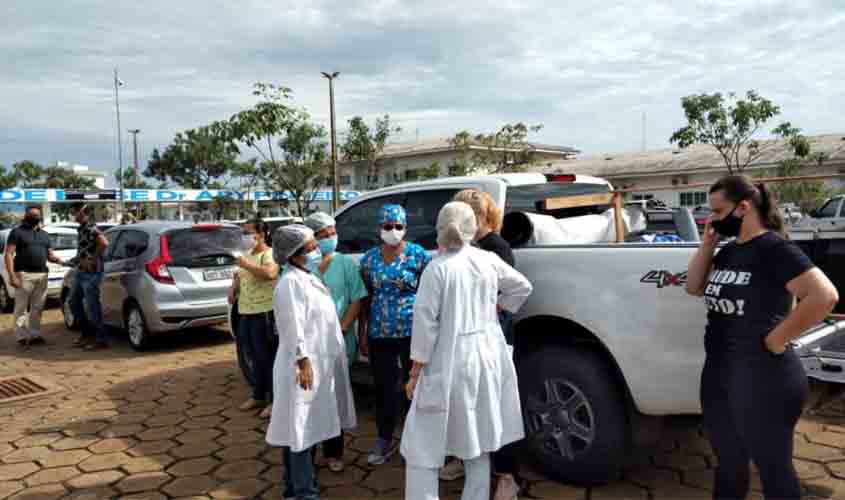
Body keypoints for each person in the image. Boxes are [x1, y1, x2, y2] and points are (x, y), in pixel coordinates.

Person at [685, 175, 838, 500]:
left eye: (718, 210)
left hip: (765, 379)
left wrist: (775, 340)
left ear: (743, 208)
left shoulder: (775, 249)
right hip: (720, 375)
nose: (712, 218)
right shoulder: (727, 253)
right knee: (728, 464)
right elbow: (694, 286)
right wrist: (708, 244)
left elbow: (824, 296)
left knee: (774, 470)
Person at [401, 202, 533, 500]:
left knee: (424, 440)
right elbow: (522, 287)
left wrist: (414, 372)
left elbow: (425, 326)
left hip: (449, 360)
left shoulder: (437, 269)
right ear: (473, 228)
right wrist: (496, 309)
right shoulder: (487, 260)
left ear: (439, 229)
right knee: (478, 434)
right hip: (487, 357)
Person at [266, 224, 356, 500]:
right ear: (294, 254)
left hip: (318, 362)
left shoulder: (306, 276)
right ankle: (305, 492)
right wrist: (303, 361)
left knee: (301, 428)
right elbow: (292, 327)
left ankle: (293, 488)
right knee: (300, 431)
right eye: (311, 247)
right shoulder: (290, 283)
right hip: (303, 366)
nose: (317, 250)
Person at [449, 189, 521, 500]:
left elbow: (517, 288)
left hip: (492, 340)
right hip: (469, 342)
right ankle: (468, 460)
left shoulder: (496, 249)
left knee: (497, 409)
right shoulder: (471, 247)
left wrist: (497, 308)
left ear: (480, 217)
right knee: (470, 407)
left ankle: (507, 476)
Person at [359, 204, 432, 465]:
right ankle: (384, 438)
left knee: (415, 387)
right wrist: (364, 332)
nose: (393, 231)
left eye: (398, 227)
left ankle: (418, 441)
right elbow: (366, 298)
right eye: (388, 227)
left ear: (405, 228)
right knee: (384, 389)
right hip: (380, 332)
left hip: (413, 332)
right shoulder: (368, 259)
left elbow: (431, 292)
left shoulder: (418, 255)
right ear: (379, 228)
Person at [304, 212, 368, 473]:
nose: (331, 237)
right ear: (311, 238)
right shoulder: (301, 265)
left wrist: (342, 328)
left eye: (332, 232)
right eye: (323, 234)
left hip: (338, 341)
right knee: (308, 399)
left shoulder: (344, 264)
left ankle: (334, 452)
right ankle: (307, 450)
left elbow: (357, 299)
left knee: (334, 395)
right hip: (307, 343)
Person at [229, 219, 280, 419]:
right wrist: (233, 288)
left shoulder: (269, 254)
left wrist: (245, 265)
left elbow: (269, 273)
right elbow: (239, 278)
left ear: (262, 233)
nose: (245, 237)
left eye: (249, 233)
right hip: (245, 313)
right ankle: (258, 395)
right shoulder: (247, 256)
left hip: (264, 313)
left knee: (267, 358)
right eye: (244, 233)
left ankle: (274, 400)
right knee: (252, 356)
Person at [4, 206, 65, 347]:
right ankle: (21, 336)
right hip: (23, 275)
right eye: (32, 215)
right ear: (26, 216)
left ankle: (35, 334)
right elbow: (8, 254)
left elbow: (49, 255)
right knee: (21, 308)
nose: (35, 217)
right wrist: (12, 275)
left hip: (42, 275)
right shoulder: (17, 232)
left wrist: (60, 261)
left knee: (37, 307)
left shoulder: (44, 234)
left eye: (37, 215)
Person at [67, 203, 110, 350]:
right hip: (81, 271)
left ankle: (100, 339)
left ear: (83, 213)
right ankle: (87, 335)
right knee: (73, 302)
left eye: (75, 212)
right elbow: (85, 249)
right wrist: (76, 260)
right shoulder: (81, 229)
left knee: (92, 307)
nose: (73, 215)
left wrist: (92, 259)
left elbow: (104, 243)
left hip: (92, 273)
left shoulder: (91, 227)